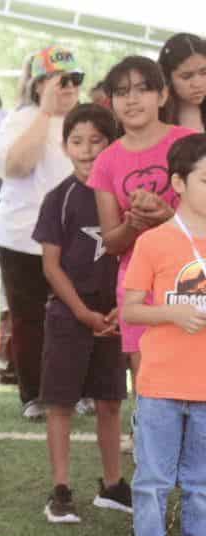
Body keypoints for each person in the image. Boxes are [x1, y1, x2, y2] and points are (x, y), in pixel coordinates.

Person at [121, 133, 206, 536]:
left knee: (201, 485)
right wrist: (173, 314)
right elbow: (132, 310)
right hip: (160, 385)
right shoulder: (154, 242)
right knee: (152, 482)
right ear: (178, 182)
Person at [33, 104, 128, 524]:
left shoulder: (123, 195)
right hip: (70, 317)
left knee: (110, 402)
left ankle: (112, 484)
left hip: (116, 316)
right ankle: (61, 489)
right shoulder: (60, 198)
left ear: (113, 143)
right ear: (64, 144)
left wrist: (119, 310)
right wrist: (83, 311)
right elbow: (51, 265)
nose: (87, 150)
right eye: (77, 141)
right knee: (61, 403)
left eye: (96, 141)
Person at [90, 56, 198, 397]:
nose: (132, 99)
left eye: (142, 89)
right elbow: (111, 242)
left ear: (163, 96)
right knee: (149, 385)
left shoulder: (192, 143)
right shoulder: (107, 160)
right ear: (111, 103)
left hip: (192, 276)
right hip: (138, 285)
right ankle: (148, 449)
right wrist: (133, 225)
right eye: (122, 92)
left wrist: (168, 217)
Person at [0, 46, 82, 421]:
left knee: (76, 316)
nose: (69, 88)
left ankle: (73, 391)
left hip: (75, 237)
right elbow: (13, 167)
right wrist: (45, 111)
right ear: (37, 84)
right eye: (60, 81)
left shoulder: (85, 120)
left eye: (75, 80)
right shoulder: (20, 118)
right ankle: (34, 394)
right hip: (21, 236)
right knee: (29, 319)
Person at [159, 34, 206, 132]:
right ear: (167, 77)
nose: (197, 84)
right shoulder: (155, 114)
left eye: (204, 73)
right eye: (186, 76)